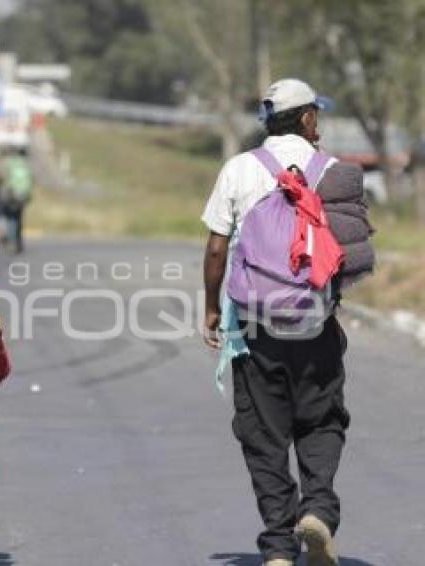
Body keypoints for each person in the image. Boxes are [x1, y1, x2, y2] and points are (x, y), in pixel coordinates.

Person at [202, 79, 349, 566]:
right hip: (316, 325)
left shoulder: (239, 169)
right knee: (322, 420)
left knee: (262, 435)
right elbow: (355, 253)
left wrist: (209, 306)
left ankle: (279, 547)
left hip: (254, 328)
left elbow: (217, 248)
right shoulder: (332, 170)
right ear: (307, 119)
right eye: (316, 116)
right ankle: (319, 513)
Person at [0, 147, 33, 254]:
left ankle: (12, 241)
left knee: (11, 218)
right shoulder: (27, 165)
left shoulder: (10, 163)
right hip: (23, 195)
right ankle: (18, 241)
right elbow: (31, 181)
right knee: (19, 218)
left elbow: (3, 177)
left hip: (12, 194)